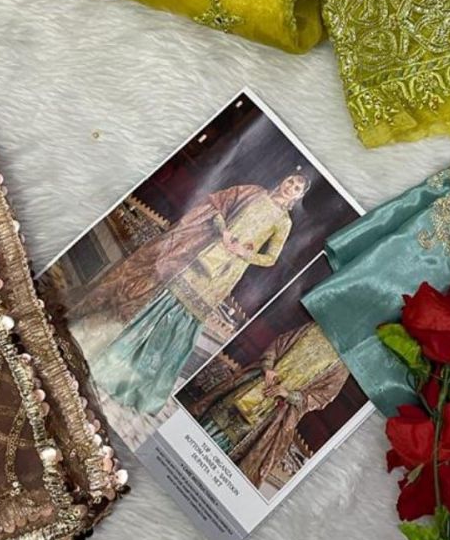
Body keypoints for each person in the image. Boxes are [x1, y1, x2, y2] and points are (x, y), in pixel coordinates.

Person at [72, 173, 310, 416]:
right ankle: (112, 358)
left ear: (299, 196)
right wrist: (224, 232)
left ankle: (138, 385)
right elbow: (217, 206)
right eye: (291, 181)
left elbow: (270, 258)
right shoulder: (254, 192)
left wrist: (243, 253)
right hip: (205, 252)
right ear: (284, 180)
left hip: (226, 272)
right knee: (165, 298)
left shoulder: (284, 222)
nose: (291, 187)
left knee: (184, 316)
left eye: (297, 187)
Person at [188, 321, 349, 490]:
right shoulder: (313, 328)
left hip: (277, 407)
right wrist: (268, 368)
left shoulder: (341, 366)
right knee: (220, 414)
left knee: (237, 436)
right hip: (258, 382)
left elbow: (321, 397)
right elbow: (278, 344)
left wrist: (286, 394)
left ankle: (204, 475)